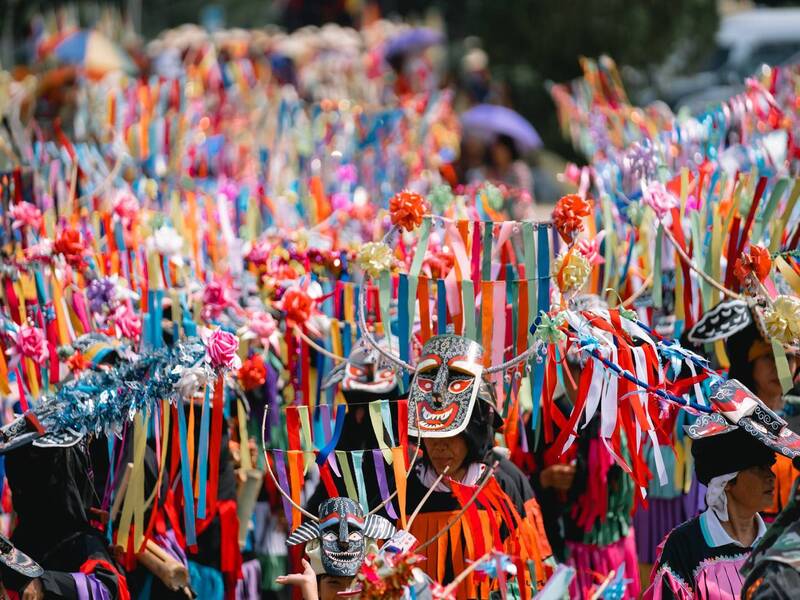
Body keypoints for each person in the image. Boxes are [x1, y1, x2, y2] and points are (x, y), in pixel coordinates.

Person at [403, 334, 552, 600]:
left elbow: (532, 573)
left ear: (473, 433)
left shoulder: (505, 483)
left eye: (451, 435)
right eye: (432, 435)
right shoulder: (403, 487)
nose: (439, 447)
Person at [687, 300, 800, 520]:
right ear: (747, 361)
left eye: (787, 357)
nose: (781, 367)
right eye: (769, 356)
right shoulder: (723, 422)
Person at [643, 426, 777, 599]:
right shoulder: (684, 546)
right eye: (758, 468)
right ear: (726, 482)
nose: (771, 476)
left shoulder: (777, 540)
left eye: (770, 466)